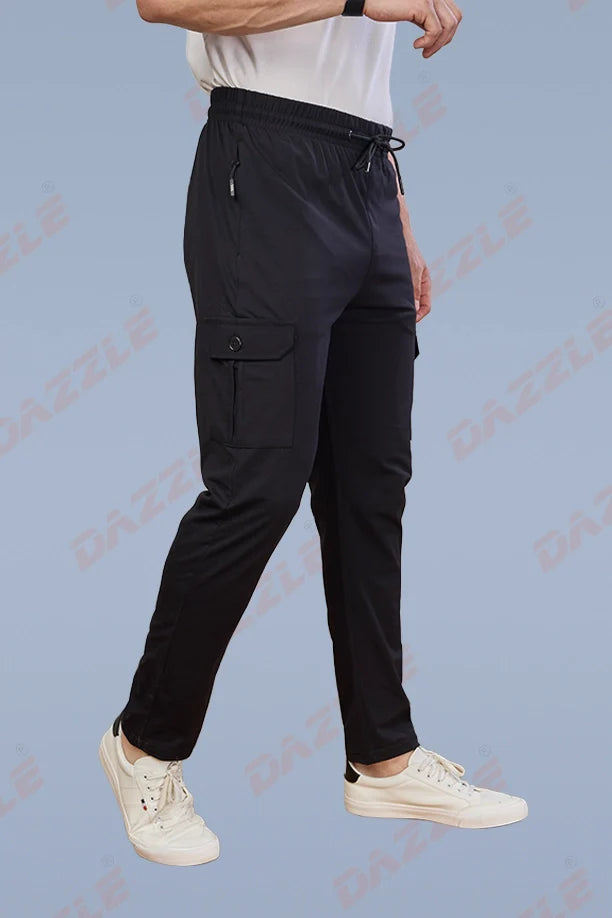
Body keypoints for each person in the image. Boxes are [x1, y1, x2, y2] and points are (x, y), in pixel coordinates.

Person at [98, 0, 528, 867]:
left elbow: (355, 75)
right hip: (263, 168)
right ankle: (144, 747)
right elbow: (162, 3)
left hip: (367, 173)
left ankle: (383, 756)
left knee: (372, 485)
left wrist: (395, 218)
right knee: (257, 483)